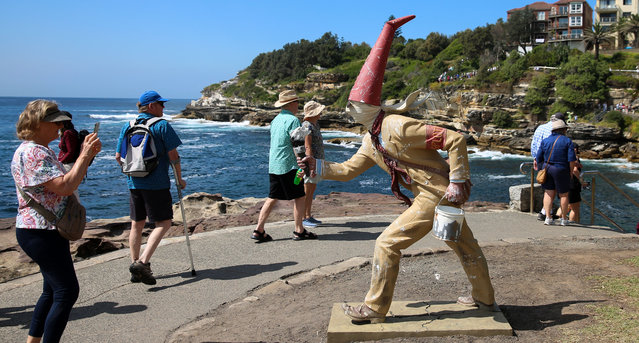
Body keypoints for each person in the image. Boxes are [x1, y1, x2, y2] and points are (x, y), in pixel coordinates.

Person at [300, 15, 497, 324]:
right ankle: (485, 301)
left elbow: (455, 139)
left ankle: (375, 309)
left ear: (367, 108)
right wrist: (318, 166)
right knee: (465, 247)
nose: (350, 111)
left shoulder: (398, 126)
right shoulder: (371, 140)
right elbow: (349, 170)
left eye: (353, 106)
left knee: (387, 243)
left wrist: (459, 180)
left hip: (434, 197)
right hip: (438, 197)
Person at [11, 100, 101, 343]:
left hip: (38, 229)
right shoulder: (35, 152)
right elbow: (66, 186)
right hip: (42, 231)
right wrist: (83, 154)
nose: (60, 127)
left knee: (51, 291)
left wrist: (87, 157)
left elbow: (65, 181)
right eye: (55, 123)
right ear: (38, 124)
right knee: (66, 291)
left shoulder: (29, 149)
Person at [115, 90, 186, 285]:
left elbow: (118, 157)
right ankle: (143, 264)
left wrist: (132, 172)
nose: (164, 107)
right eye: (161, 104)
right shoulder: (161, 125)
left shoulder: (127, 126)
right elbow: (174, 156)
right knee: (164, 223)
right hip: (157, 184)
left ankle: (134, 264)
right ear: (152, 106)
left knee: (136, 223)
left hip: (133, 183)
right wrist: (180, 179)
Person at [250, 90, 317, 242]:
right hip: (290, 166)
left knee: (272, 196)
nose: (298, 105)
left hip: (274, 164)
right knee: (299, 197)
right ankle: (299, 230)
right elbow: (298, 145)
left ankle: (259, 229)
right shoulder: (293, 121)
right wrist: (303, 165)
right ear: (291, 103)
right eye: (297, 102)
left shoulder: (275, 120)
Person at [535, 119, 576, 226]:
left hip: (547, 168)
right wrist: (571, 171)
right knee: (564, 195)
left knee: (548, 193)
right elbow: (571, 160)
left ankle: (548, 217)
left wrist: (541, 168)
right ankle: (563, 219)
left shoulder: (545, 141)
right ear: (563, 130)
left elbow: (538, 157)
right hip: (561, 169)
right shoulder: (567, 141)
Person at [531, 112, 565, 220]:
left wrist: (535, 158)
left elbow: (534, 144)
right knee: (552, 189)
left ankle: (546, 211)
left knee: (546, 187)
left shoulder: (540, 127)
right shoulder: (557, 130)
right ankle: (546, 212)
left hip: (541, 160)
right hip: (552, 162)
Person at [301, 100, 326, 227]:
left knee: (311, 190)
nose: (320, 114)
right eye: (318, 112)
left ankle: (308, 215)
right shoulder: (307, 126)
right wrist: (311, 165)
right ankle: (303, 217)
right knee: (307, 190)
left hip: (317, 162)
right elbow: (308, 146)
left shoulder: (314, 125)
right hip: (312, 162)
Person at [556, 145, 584, 223]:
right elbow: (575, 170)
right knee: (575, 207)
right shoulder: (574, 158)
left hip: (561, 180)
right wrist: (580, 181)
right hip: (572, 182)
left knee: (565, 204)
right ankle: (572, 223)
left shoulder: (562, 156)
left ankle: (558, 219)